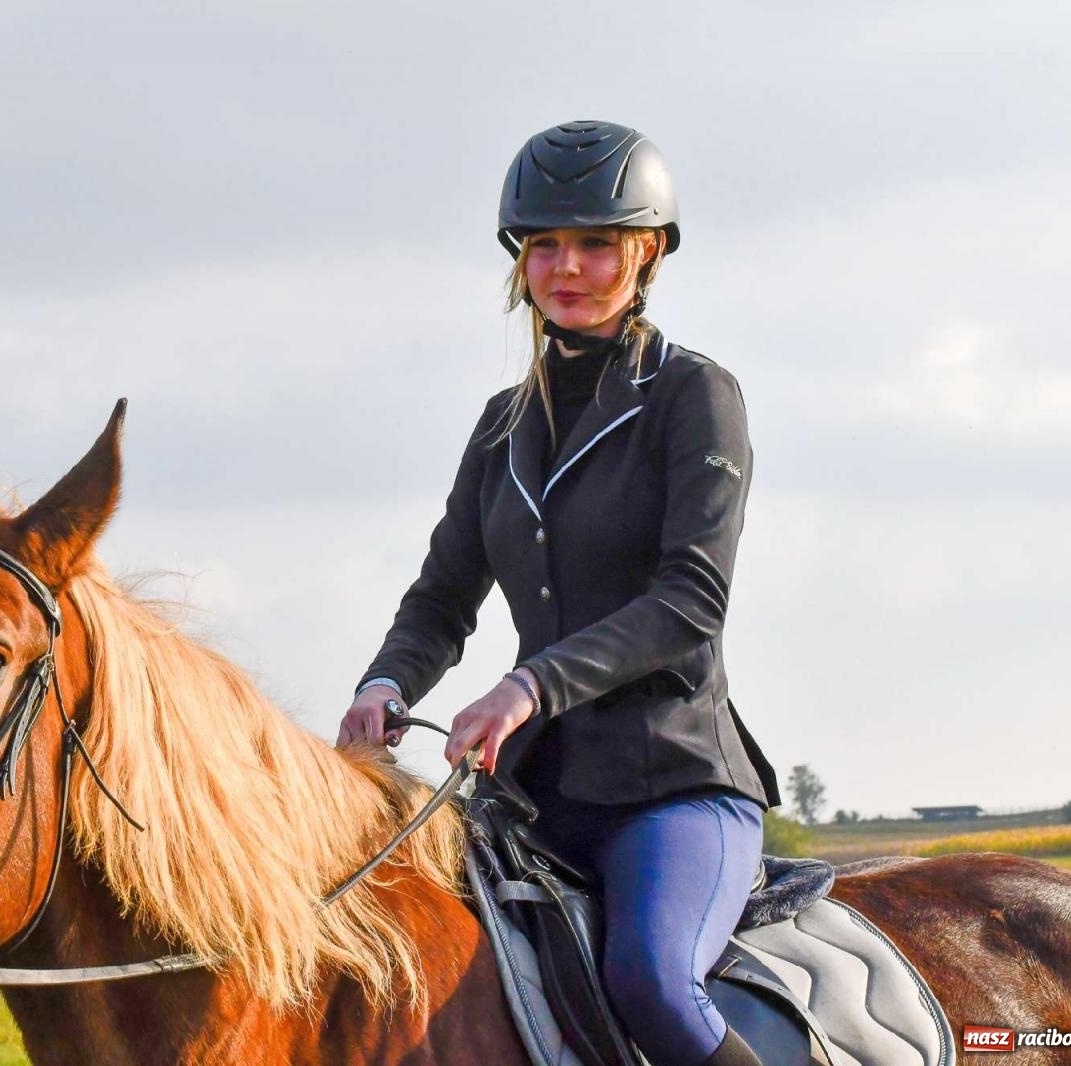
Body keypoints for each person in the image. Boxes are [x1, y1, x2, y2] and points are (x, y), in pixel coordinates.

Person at [335, 120, 781, 1066]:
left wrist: (530, 683)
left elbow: (691, 598)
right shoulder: (502, 426)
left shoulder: (696, 397)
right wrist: (385, 686)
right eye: (544, 245)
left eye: (595, 244)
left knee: (651, 982)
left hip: (673, 789)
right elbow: (444, 595)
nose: (566, 267)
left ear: (648, 251)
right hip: (533, 797)